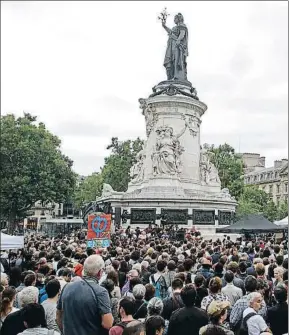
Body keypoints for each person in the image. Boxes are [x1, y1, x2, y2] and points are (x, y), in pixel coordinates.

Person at [56, 255, 113, 335]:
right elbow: (107, 324)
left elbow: (58, 315)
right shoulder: (101, 292)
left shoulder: (67, 287)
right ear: (100, 272)